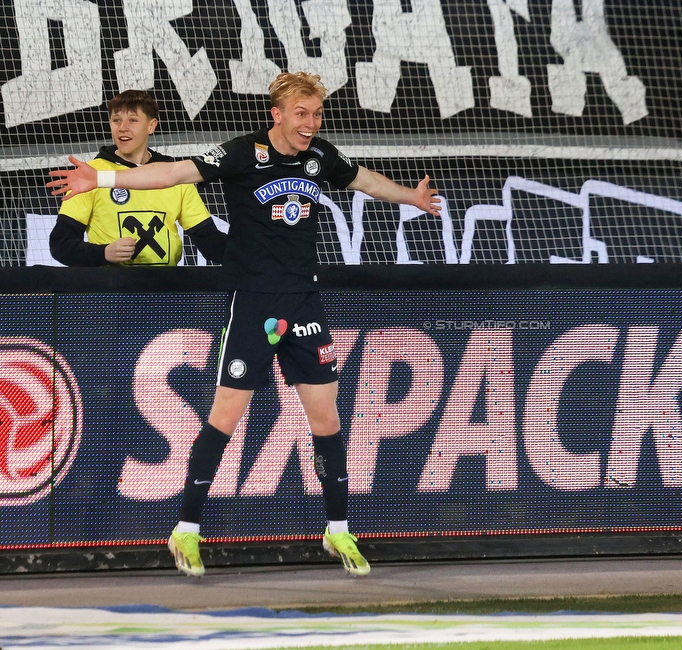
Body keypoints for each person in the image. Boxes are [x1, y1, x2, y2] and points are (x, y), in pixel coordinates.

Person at [48, 71, 441, 578]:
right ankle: (186, 531)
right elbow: (171, 175)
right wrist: (100, 178)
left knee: (327, 420)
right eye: (302, 114)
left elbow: (364, 180)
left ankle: (338, 527)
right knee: (226, 416)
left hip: (304, 302)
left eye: (317, 114)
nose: (310, 123)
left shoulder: (320, 155)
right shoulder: (242, 152)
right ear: (277, 115)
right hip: (255, 303)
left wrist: (410, 197)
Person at [49, 90, 226, 266]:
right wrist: (103, 253)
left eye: (132, 120)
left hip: (166, 289)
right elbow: (61, 245)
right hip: (112, 290)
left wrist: (251, 252)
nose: (122, 127)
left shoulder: (174, 175)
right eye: (116, 120)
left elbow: (209, 242)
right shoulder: (91, 174)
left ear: (151, 125)